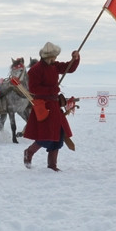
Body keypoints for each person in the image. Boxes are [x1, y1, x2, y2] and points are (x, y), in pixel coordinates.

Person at [22, 42, 80, 172]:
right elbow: (34, 89)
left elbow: (69, 68)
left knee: (58, 134)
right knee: (45, 136)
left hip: (55, 106)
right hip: (44, 107)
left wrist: (75, 58)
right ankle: (29, 152)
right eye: (54, 57)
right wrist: (52, 90)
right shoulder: (35, 70)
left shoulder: (54, 65)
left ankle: (52, 165)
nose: (55, 59)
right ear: (48, 57)